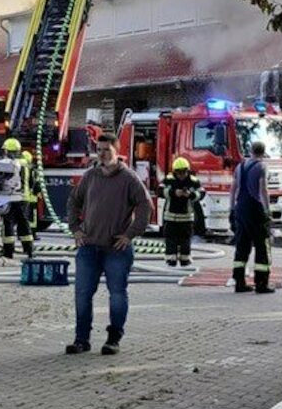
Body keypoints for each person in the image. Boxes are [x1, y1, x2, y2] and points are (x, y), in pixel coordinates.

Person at [66, 138, 150, 354]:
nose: (102, 154)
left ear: (117, 151)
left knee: (117, 294)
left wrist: (130, 234)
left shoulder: (129, 179)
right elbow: (73, 200)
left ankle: (113, 339)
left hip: (116, 249)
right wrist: (75, 228)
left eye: (106, 150)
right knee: (82, 294)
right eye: (99, 150)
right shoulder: (90, 176)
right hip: (89, 247)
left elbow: (144, 206)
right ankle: (81, 340)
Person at [231, 139, 275, 293]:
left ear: (251, 151)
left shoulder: (240, 166)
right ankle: (261, 283)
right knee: (262, 246)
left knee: (242, 246)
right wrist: (267, 211)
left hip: (240, 208)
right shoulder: (261, 166)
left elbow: (233, 189)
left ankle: (239, 282)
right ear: (263, 152)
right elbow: (263, 191)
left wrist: (232, 209)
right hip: (255, 209)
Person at [0, 136, 33, 261]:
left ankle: (8, 252)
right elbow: (32, 181)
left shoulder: (4, 164)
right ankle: (28, 249)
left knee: (8, 223)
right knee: (24, 223)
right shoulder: (26, 163)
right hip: (24, 197)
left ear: (7, 151)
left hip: (9, 197)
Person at [161, 156, 203, 265]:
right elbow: (160, 191)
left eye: (184, 172)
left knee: (185, 240)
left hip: (186, 218)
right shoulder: (169, 179)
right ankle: (171, 259)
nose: (181, 175)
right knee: (170, 240)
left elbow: (201, 193)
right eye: (179, 173)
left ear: (187, 171)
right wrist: (173, 193)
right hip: (171, 217)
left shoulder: (193, 181)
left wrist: (191, 195)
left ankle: (185, 259)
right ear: (175, 172)